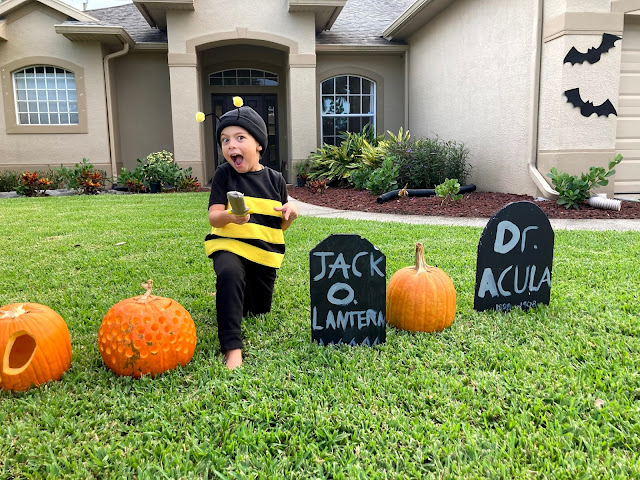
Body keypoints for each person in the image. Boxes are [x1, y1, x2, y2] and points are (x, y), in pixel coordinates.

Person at [205, 100, 298, 369]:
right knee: (230, 273)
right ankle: (232, 349)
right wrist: (231, 217)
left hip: (263, 253)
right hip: (228, 244)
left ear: (258, 144)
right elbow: (214, 216)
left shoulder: (275, 180)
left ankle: (230, 294)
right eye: (224, 140)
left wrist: (289, 215)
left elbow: (278, 227)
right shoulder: (224, 175)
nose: (231, 145)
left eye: (239, 137)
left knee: (258, 310)